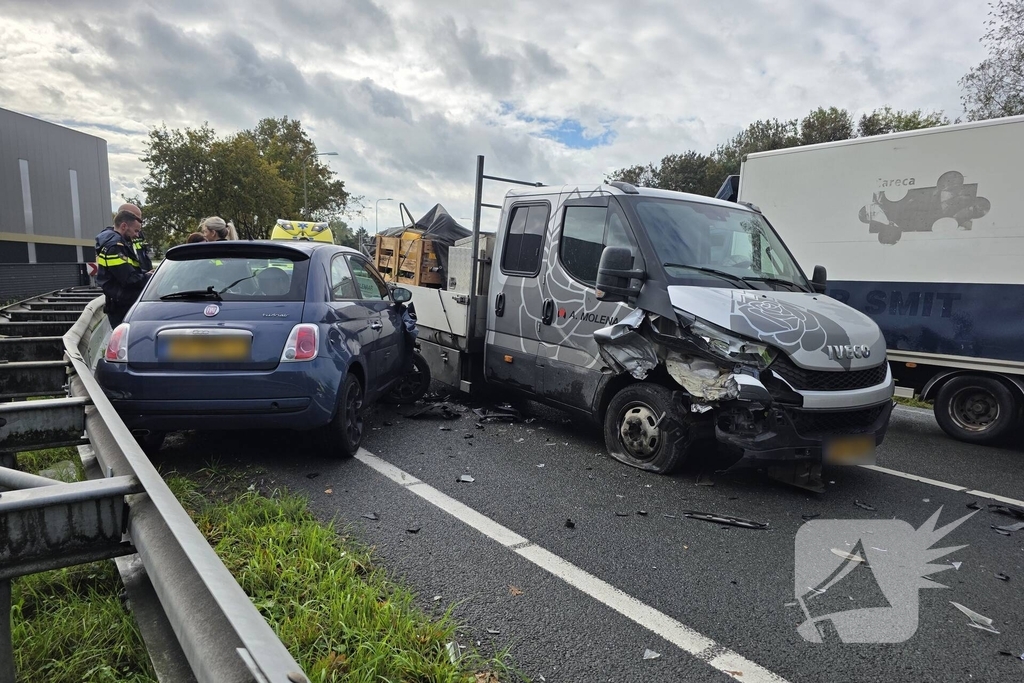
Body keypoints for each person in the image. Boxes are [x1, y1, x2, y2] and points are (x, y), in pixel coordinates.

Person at [96, 204, 153, 327]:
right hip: (122, 305)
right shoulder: (115, 247)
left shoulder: (121, 242)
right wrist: (151, 277)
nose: (137, 235)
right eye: (136, 231)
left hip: (124, 302)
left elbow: (131, 268)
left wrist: (145, 273)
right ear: (124, 226)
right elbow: (129, 279)